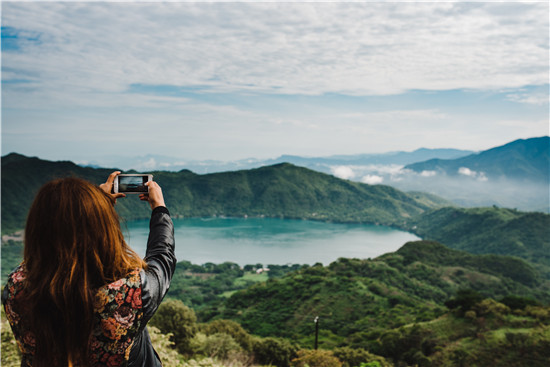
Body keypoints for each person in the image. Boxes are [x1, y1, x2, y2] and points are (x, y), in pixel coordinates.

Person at [2, 171, 176, 367]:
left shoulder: (15, 290)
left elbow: (56, 250)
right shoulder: (129, 294)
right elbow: (162, 258)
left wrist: (98, 205)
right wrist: (159, 208)